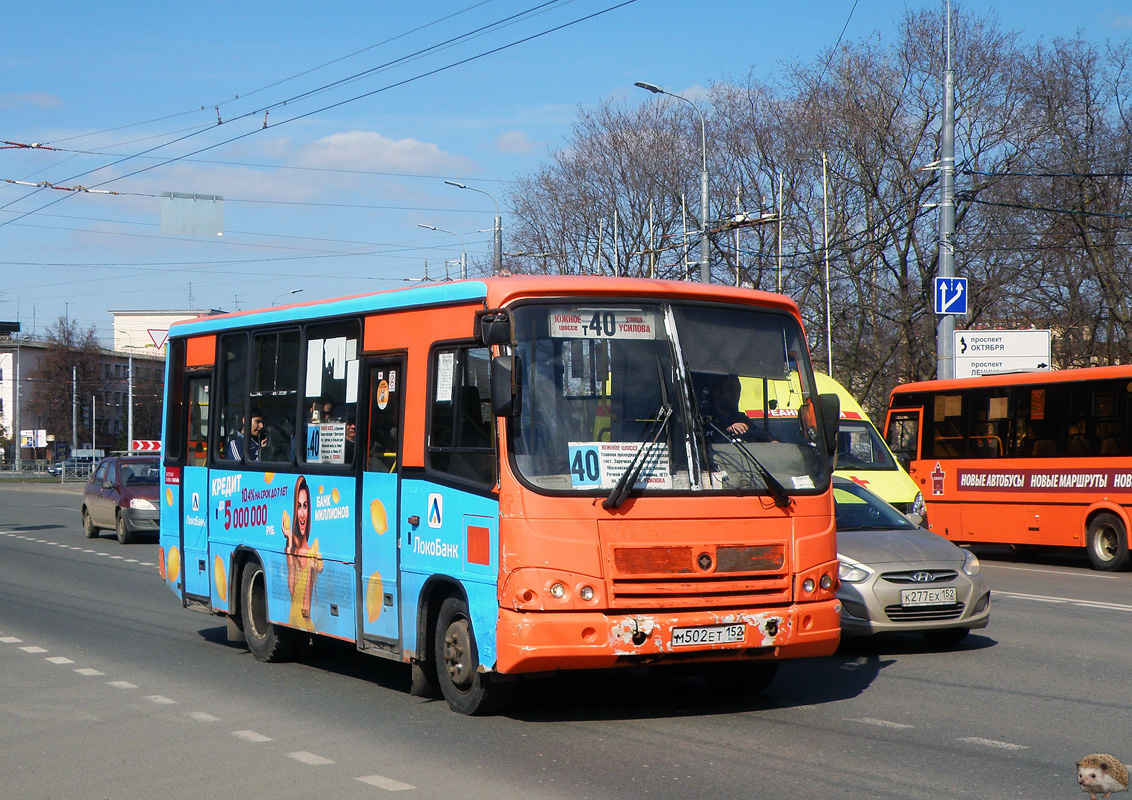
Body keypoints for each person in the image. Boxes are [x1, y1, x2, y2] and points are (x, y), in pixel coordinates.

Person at [284, 475, 323, 630]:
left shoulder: (311, 550)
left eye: (305, 506)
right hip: (295, 620)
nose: (301, 513)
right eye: (298, 506)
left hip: (307, 622)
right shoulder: (294, 548)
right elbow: (292, 588)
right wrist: (289, 539)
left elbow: (320, 568)